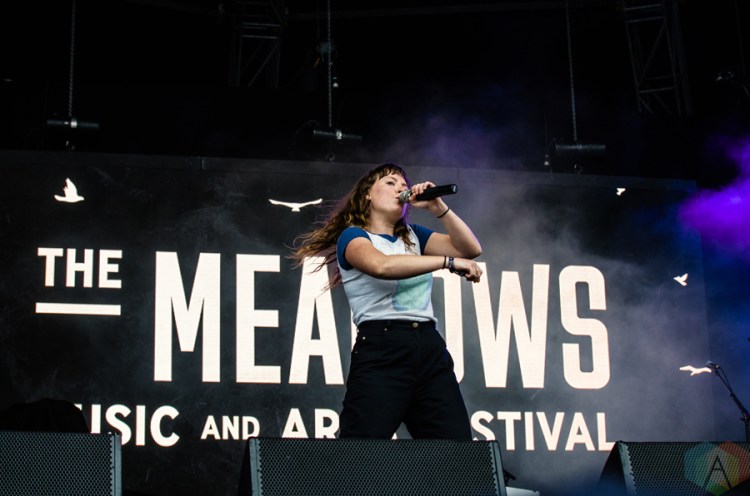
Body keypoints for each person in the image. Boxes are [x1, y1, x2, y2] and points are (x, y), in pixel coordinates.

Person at [291, 163, 483, 440]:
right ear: (367, 195)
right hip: (383, 346)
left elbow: (471, 249)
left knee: (454, 450)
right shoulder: (354, 236)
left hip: (428, 346)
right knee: (363, 449)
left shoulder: (415, 236)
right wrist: (447, 262)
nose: (400, 189)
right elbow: (381, 266)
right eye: (390, 183)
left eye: (404, 185)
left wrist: (438, 207)